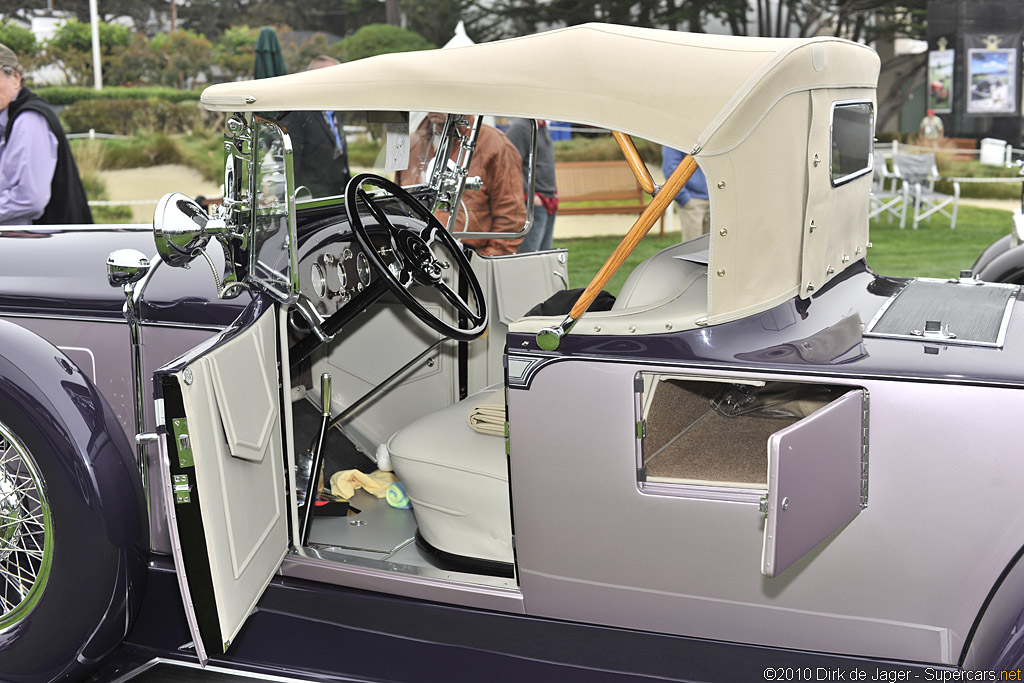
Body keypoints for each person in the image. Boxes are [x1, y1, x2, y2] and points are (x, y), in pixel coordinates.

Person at [397, 113, 526, 256]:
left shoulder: (493, 143)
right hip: (415, 254)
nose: (435, 104)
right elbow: (397, 202)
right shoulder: (412, 144)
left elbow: (511, 215)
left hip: (468, 256)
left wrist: (484, 262)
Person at [0, 43, 91, 225]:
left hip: (47, 246)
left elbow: (31, 199)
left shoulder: (29, 119)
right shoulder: (9, 118)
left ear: (16, 78)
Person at [286, 55, 351, 199]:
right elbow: (291, 159)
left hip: (339, 195)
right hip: (312, 198)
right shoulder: (298, 112)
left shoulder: (333, 111)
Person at [505, 118, 558, 253]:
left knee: (543, 257)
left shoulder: (541, 127)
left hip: (548, 200)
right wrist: (529, 196)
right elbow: (509, 164)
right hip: (533, 203)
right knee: (529, 256)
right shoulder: (521, 128)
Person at [661, 146, 709, 242]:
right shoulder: (674, 137)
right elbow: (670, 168)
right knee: (692, 250)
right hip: (692, 201)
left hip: (714, 199)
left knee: (713, 251)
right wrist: (684, 198)